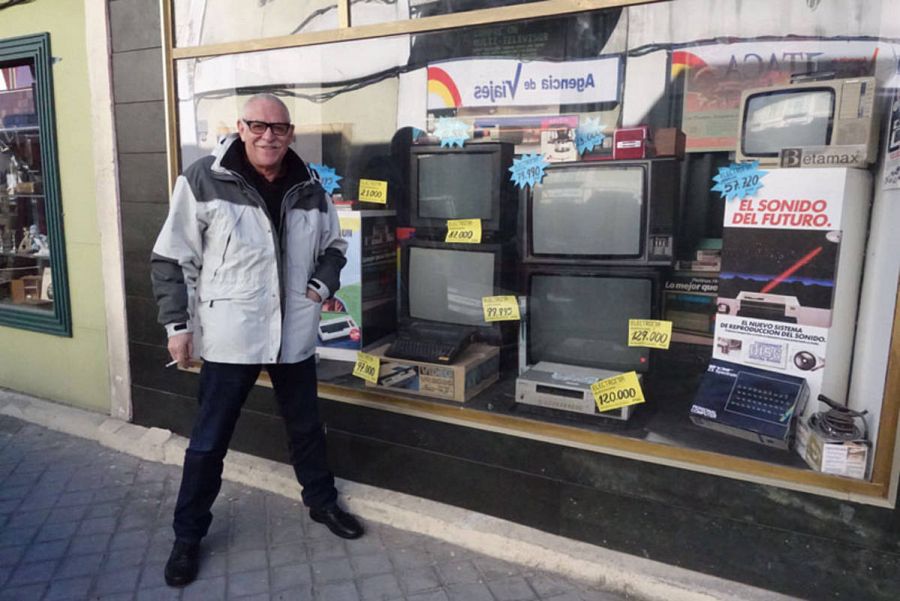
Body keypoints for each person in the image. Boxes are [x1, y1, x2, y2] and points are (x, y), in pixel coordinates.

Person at [150, 93, 364, 588]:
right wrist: (177, 327)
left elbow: (334, 246)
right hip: (231, 337)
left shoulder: (310, 186)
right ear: (240, 128)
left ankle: (322, 503)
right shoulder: (204, 178)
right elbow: (170, 258)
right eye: (258, 125)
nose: (269, 135)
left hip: (294, 337)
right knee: (207, 443)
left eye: (280, 127)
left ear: (291, 133)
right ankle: (187, 537)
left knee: (307, 429)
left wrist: (321, 285)